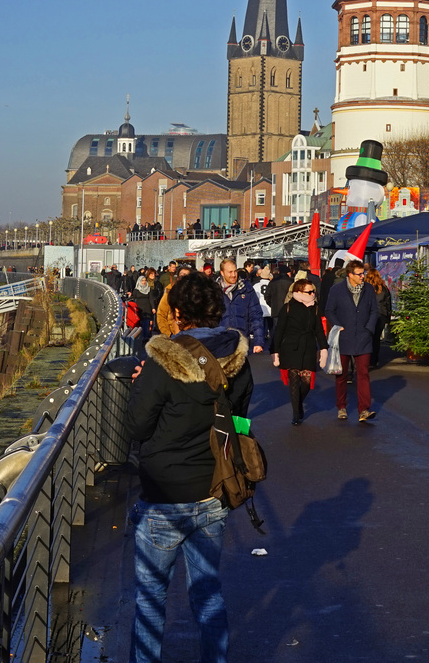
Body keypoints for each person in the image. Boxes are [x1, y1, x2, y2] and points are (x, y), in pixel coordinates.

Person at [126, 273, 254, 663]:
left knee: (150, 600)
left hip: (164, 493)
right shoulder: (237, 359)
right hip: (214, 489)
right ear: (217, 310)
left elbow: (137, 426)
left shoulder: (162, 360)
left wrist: (140, 384)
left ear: (178, 313)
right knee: (208, 593)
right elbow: (238, 422)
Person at [323, 259, 382, 422]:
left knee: (363, 374)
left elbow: (374, 311)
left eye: (363, 273)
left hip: (363, 337)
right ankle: (341, 406)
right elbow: (329, 310)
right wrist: (337, 325)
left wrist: (369, 328)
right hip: (343, 337)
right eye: (360, 274)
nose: (363, 276)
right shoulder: (337, 290)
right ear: (350, 275)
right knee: (341, 375)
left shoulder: (368, 289)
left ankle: (364, 409)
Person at [270, 273, 328, 424]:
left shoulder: (314, 308)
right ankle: (296, 414)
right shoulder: (287, 308)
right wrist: (275, 352)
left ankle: (298, 403)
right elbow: (279, 331)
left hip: (308, 348)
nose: (312, 294)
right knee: (294, 381)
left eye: (313, 291)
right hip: (290, 348)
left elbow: (319, 331)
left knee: (307, 382)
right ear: (299, 292)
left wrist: (323, 348)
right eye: (309, 292)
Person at [216, 259, 266, 352]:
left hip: (241, 341)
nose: (233, 275)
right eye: (230, 272)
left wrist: (258, 341)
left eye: (235, 271)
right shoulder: (213, 290)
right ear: (222, 273)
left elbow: (256, 315)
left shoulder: (246, 288)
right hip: (220, 341)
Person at [363, 266, 394, 368]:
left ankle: (367, 359)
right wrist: (388, 318)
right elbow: (388, 304)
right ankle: (374, 360)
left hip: (367, 316)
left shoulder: (365, 288)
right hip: (381, 315)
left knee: (368, 338)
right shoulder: (384, 289)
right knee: (376, 339)